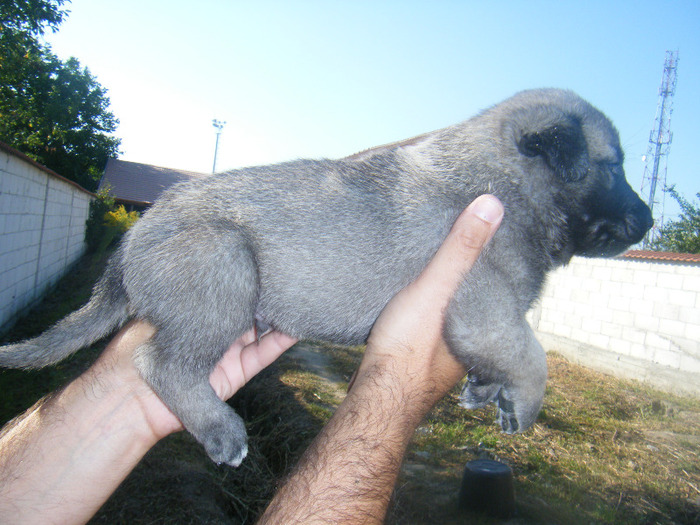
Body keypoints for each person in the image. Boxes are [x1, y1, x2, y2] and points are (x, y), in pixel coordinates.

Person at [0, 195, 504, 525]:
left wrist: (125, 401)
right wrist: (393, 392)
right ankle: (170, 371)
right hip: (196, 238)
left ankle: (160, 373)